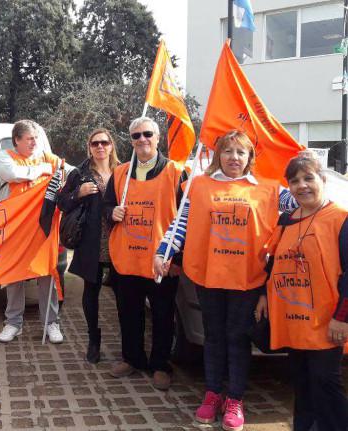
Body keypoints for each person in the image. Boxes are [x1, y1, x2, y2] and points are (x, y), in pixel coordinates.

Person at [153, 130, 297, 431]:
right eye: (228, 151)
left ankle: (235, 399)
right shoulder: (199, 186)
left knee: (238, 339)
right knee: (214, 337)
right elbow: (180, 224)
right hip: (209, 277)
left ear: (250, 158)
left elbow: (305, 204)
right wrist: (164, 251)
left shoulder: (271, 190)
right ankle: (212, 393)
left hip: (248, 279)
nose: (234, 157)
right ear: (219, 154)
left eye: (240, 152)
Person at [255, 152, 348, 431]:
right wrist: (263, 294)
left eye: (309, 178)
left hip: (326, 321)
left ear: (322, 179)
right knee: (302, 384)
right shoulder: (287, 219)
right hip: (293, 320)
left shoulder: (341, 219)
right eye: (294, 181)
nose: (302, 185)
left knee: (326, 385)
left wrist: (342, 317)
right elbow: (272, 262)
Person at [103, 117, 187, 390]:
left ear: (158, 137)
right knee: (128, 313)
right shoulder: (120, 173)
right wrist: (111, 213)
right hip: (127, 259)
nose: (142, 140)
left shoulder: (176, 172)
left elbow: (189, 218)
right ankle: (132, 358)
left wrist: (179, 259)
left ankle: (161, 364)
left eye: (147, 134)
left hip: (161, 262)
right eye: (136, 136)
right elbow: (105, 210)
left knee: (163, 315)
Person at [0, 119, 63, 344]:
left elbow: (67, 171)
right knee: (14, 275)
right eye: (30, 138)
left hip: (43, 229)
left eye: (36, 138)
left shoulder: (47, 156)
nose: (35, 142)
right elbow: (13, 173)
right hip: (15, 230)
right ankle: (13, 323)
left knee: (46, 274)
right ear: (17, 140)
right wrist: (43, 169)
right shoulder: (5, 156)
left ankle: (50, 322)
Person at [58, 128, 120, 363]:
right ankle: (94, 341)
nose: (100, 147)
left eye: (104, 142)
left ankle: (128, 343)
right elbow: (62, 202)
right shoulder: (80, 174)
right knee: (91, 291)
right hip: (91, 241)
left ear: (111, 146)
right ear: (89, 147)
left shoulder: (122, 170)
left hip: (119, 241)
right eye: (95, 143)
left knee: (123, 293)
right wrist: (78, 193)